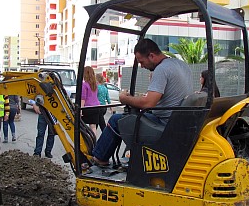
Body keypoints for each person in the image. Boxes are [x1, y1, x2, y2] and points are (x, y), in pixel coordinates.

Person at [91, 38, 192, 166]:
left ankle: (100, 158)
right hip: (176, 121)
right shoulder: (180, 65)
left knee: (116, 120)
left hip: (164, 124)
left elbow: (148, 103)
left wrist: (124, 98)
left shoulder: (161, 70)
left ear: (151, 55)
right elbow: (166, 96)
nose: (142, 66)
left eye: (142, 62)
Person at [81, 66, 100, 134]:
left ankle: (85, 141)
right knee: (93, 126)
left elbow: (83, 98)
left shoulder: (84, 85)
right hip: (96, 107)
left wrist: (81, 110)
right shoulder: (95, 84)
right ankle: (93, 142)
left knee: (80, 124)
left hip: (88, 108)